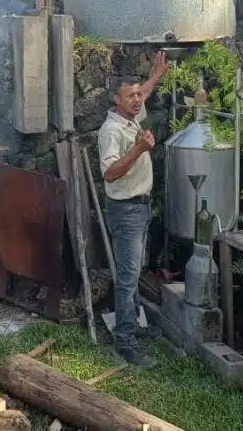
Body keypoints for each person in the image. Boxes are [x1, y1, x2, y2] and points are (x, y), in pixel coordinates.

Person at [97, 51, 169, 367]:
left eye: (139, 94)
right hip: (125, 211)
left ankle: (134, 327)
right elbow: (109, 173)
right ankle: (124, 344)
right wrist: (139, 150)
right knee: (127, 278)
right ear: (117, 100)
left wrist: (155, 74)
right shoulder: (111, 132)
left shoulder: (131, 117)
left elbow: (144, 93)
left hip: (140, 208)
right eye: (130, 96)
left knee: (134, 271)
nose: (138, 100)